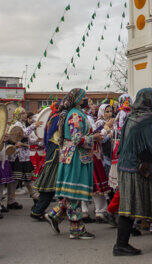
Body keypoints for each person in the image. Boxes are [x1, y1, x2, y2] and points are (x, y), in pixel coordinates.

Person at [113, 88, 152, 258]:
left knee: (128, 205)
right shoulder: (148, 121)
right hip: (141, 169)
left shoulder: (131, 117)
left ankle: (121, 244)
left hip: (127, 167)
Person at [46, 88, 95, 239]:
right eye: (83, 96)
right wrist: (94, 138)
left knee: (71, 193)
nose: (85, 98)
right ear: (77, 98)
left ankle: (55, 215)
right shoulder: (75, 114)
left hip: (74, 155)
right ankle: (76, 228)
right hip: (75, 157)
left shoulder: (78, 113)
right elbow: (76, 138)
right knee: (74, 193)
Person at [31, 103, 62, 220]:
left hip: (52, 153)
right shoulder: (58, 118)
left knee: (50, 185)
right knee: (50, 185)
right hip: (55, 154)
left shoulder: (53, 117)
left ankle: (38, 209)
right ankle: (38, 210)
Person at [6, 107, 39, 207]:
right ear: (17, 115)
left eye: (25, 113)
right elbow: (23, 134)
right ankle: (11, 200)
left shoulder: (23, 124)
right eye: (22, 113)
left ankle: (35, 198)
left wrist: (38, 140)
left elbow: (28, 139)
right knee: (16, 179)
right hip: (17, 156)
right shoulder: (17, 124)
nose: (25, 115)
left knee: (27, 178)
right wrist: (33, 126)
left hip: (24, 156)